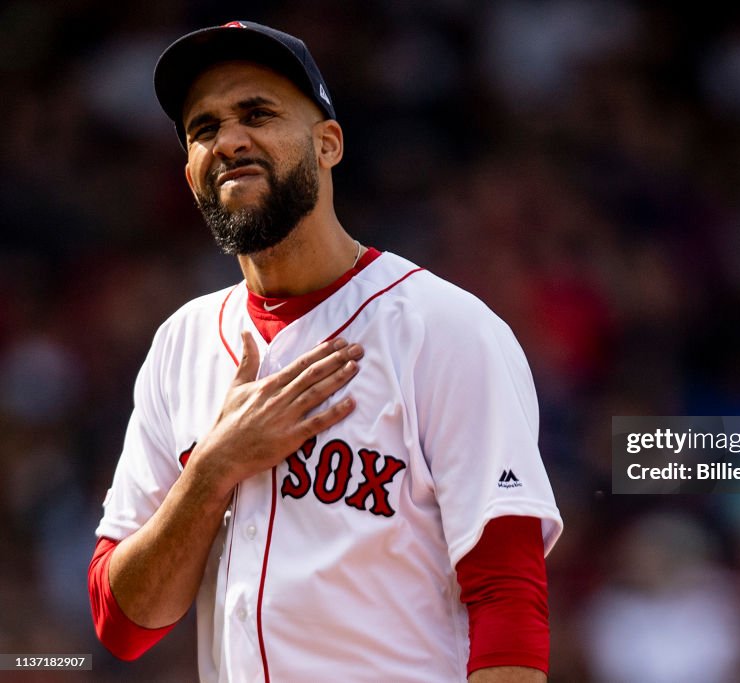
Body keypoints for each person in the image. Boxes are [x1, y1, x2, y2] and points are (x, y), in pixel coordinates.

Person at [87, 21, 562, 682]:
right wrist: (213, 468)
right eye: (203, 128)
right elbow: (123, 623)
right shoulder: (182, 343)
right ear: (191, 170)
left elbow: (507, 596)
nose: (228, 140)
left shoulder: (444, 327)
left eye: (257, 113)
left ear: (328, 143)